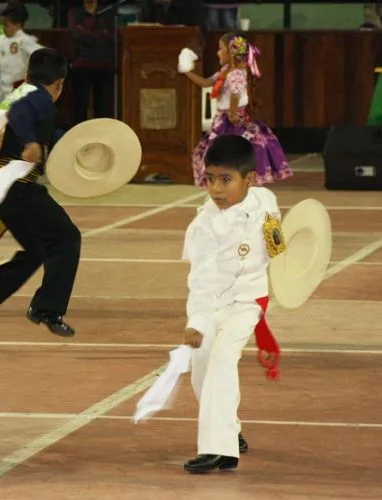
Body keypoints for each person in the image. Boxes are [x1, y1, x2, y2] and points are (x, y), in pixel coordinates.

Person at [0, 48, 81, 343]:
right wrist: (29, 141)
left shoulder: (16, 96)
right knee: (67, 238)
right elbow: (21, 118)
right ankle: (47, 310)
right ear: (59, 85)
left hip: (2, 188)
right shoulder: (37, 99)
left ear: (27, 75)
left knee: (38, 249)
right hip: (17, 186)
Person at [181, 135, 283, 474]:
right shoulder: (204, 225)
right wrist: (197, 321)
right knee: (202, 366)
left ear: (250, 180)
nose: (216, 189)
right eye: (210, 179)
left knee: (223, 361)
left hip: (248, 300)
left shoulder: (266, 201)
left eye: (226, 179)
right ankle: (230, 428)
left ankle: (217, 450)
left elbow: (276, 245)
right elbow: (201, 278)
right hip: (211, 303)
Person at [182, 32, 292, 188]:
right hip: (222, 119)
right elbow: (206, 83)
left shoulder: (236, 73)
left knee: (227, 154)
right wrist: (186, 72)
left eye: (220, 49)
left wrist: (232, 113)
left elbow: (235, 93)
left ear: (231, 52)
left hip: (231, 120)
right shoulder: (226, 70)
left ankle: (233, 185)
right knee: (222, 154)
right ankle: (228, 184)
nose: (217, 52)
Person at [0, 3, 43, 113]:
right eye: (3, 24)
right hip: (1, 86)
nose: (4, 27)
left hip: (16, 89)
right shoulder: (1, 39)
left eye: (7, 25)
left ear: (17, 25)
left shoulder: (25, 40)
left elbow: (41, 54)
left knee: (8, 114)